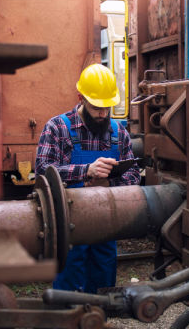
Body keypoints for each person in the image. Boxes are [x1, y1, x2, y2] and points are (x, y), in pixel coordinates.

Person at [35, 63, 141, 293]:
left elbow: (134, 175)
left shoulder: (119, 132)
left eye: (107, 108)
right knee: (69, 289)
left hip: (107, 224)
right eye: (96, 108)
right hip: (68, 226)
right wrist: (86, 171)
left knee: (103, 289)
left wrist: (110, 181)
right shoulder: (57, 128)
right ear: (80, 98)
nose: (103, 114)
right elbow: (43, 171)